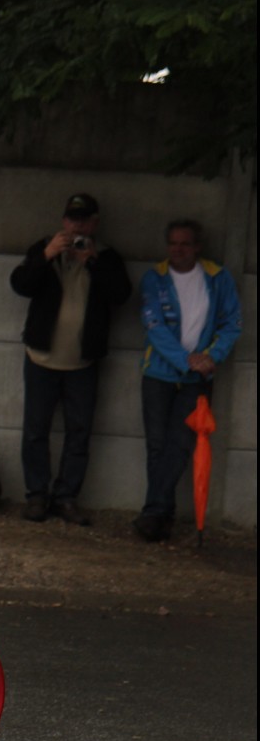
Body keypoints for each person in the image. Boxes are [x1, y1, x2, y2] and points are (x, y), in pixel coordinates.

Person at [8, 192, 132, 525]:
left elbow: (121, 294)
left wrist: (91, 260)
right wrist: (46, 256)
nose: (77, 226)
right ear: (64, 221)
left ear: (94, 223)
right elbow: (20, 285)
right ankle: (37, 496)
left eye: (84, 220)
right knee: (36, 430)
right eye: (72, 219)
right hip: (41, 358)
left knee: (79, 432)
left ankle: (66, 498)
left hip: (83, 363)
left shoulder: (106, 257)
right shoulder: (44, 248)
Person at [132, 219, 243, 542]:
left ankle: (153, 512)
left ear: (197, 247)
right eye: (173, 244)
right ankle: (159, 515)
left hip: (198, 377)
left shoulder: (218, 277)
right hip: (159, 374)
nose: (178, 250)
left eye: (184, 244)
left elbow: (231, 324)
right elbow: (154, 327)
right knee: (156, 445)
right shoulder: (155, 277)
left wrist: (211, 356)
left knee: (180, 444)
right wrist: (185, 360)